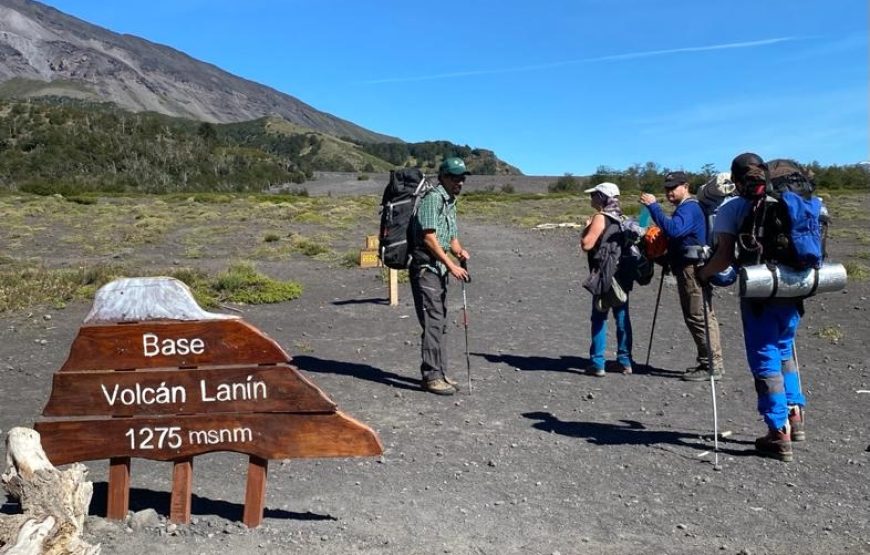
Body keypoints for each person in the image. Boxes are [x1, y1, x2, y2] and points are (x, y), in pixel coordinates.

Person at [698, 152, 805, 462]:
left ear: (735, 178)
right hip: (795, 289)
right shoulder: (790, 200)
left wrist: (704, 274)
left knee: (765, 359)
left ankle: (778, 431)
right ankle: (795, 417)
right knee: (785, 352)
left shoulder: (733, 208)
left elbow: (723, 258)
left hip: (760, 293)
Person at [639, 171, 724, 381]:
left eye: (673, 187)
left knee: (698, 316)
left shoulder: (689, 208)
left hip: (692, 269)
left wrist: (653, 207)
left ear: (685, 186)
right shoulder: (687, 208)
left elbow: (675, 231)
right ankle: (708, 362)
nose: (669, 192)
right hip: (687, 267)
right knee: (700, 315)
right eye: (666, 188)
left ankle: (711, 365)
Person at [409, 157, 470, 395]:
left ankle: (441, 372)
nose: (460, 182)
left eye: (462, 178)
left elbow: (450, 237)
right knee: (433, 322)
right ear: (443, 177)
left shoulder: (450, 202)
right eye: (455, 177)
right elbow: (429, 238)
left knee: (440, 322)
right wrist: (451, 264)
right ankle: (431, 376)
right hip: (427, 269)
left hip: (439, 270)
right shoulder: (432, 199)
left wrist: (459, 251)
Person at [580, 182, 633, 377]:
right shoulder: (621, 217)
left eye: (594, 194)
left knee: (599, 316)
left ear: (602, 197)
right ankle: (624, 361)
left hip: (605, 274)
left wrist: (586, 229)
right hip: (622, 273)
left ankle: (597, 363)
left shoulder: (601, 217)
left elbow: (587, 244)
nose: (591, 197)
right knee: (621, 317)